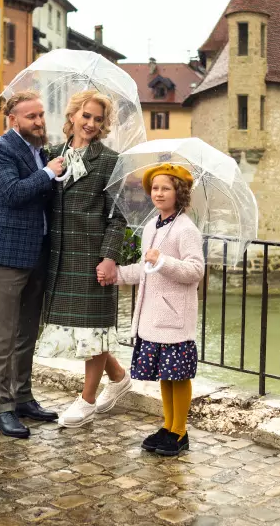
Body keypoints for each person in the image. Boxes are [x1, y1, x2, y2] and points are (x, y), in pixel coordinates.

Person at [0, 91, 64, 439]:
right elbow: (11, 192)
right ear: (13, 120)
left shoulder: (41, 151)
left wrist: (56, 173)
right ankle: (3, 408)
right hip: (7, 253)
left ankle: (23, 397)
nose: (39, 122)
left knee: (28, 332)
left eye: (41, 115)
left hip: (38, 251)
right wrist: (49, 173)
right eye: (31, 117)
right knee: (5, 335)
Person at [36, 90, 131, 428]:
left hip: (92, 255)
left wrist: (110, 257)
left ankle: (87, 400)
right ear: (73, 116)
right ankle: (119, 378)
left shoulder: (110, 161)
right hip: (58, 257)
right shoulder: (49, 154)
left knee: (94, 330)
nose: (91, 123)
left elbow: (118, 217)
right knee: (83, 332)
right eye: (86, 116)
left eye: (98, 119)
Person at [113, 164, 205, 456]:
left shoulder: (186, 228)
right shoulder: (153, 225)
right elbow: (145, 269)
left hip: (175, 316)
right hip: (154, 315)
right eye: (155, 188)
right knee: (166, 375)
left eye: (165, 188)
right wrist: (117, 275)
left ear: (178, 192)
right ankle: (168, 426)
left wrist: (163, 260)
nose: (158, 193)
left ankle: (180, 432)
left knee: (178, 376)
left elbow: (196, 270)